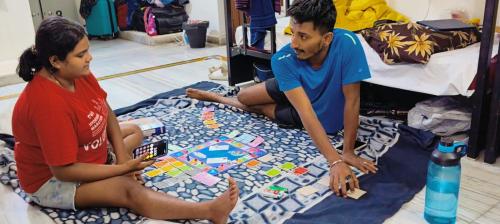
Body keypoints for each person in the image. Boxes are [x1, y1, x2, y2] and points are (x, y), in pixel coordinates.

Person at [12, 16, 238, 224]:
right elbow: (64, 172)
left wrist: (121, 158)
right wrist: (122, 170)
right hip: (53, 180)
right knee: (126, 189)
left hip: (86, 152)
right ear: (56, 61)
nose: (89, 58)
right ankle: (209, 211)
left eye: (87, 50)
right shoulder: (47, 104)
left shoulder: (77, 73)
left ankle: (112, 165)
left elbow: (106, 110)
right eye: (81, 55)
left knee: (135, 131)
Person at [187, 0, 377, 197]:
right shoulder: (283, 59)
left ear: (327, 38)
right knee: (244, 96)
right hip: (295, 87)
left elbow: (351, 101)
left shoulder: (348, 43)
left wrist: (345, 154)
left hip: (316, 113)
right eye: (293, 33)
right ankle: (220, 98)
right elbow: (304, 108)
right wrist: (336, 161)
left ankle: (220, 99)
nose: (294, 43)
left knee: (262, 109)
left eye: (303, 36)